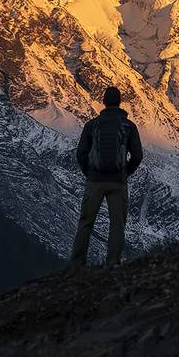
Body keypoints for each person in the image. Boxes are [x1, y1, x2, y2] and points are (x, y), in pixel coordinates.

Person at [70, 85, 143, 268]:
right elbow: (138, 156)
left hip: (95, 181)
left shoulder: (92, 125)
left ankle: (77, 265)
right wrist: (126, 172)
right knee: (117, 224)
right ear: (120, 103)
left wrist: (90, 173)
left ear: (103, 102)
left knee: (86, 222)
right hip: (118, 182)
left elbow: (81, 153)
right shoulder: (129, 126)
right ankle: (112, 264)